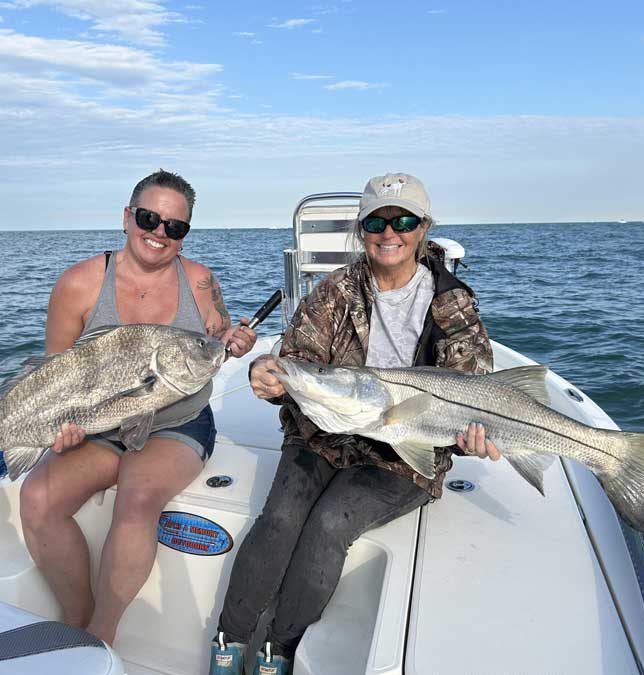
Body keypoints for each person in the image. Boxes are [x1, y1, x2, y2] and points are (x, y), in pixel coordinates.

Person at [209, 173, 500, 675]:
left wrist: (475, 439)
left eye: (404, 220)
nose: (391, 233)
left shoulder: (452, 303)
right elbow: (297, 358)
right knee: (280, 518)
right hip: (324, 432)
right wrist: (269, 373)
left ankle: (280, 649)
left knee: (329, 523)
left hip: (407, 446)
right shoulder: (335, 291)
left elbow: (472, 387)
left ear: (425, 227)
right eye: (377, 221)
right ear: (361, 229)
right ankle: (230, 640)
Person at [19, 169, 257, 645]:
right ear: (128, 217)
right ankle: (77, 619)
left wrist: (233, 338)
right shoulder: (79, 285)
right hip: (96, 428)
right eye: (149, 217)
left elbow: (216, 336)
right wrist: (63, 427)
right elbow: (51, 375)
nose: (159, 233)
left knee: (137, 500)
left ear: (185, 234)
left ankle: (101, 638)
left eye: (175, 226)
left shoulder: (201, 281)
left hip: (176, 422)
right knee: (38, 499)